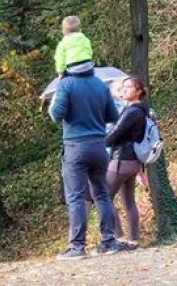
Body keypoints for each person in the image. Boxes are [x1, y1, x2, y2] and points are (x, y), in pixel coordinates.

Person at [49, 66, 132, 260]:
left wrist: (61, 90)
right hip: (99, 146)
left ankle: (77, 247)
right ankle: (109, 240)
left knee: (76, 196)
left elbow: (55, 115)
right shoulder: (99, 84)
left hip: (75, 147)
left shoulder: (66, 84)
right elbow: (113, 116)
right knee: (102, 193)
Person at [105, 76, 149, 245]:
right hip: (133, 162)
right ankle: (133, 239)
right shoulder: (141, 110)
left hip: (122, 159)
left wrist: (100, 141)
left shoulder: (132, 111)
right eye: (123, 88)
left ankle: (117, 237)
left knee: (103, 196)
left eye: (128, 87)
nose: (124, 90)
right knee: (128, 200)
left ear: (138, 91)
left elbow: (115, 133)